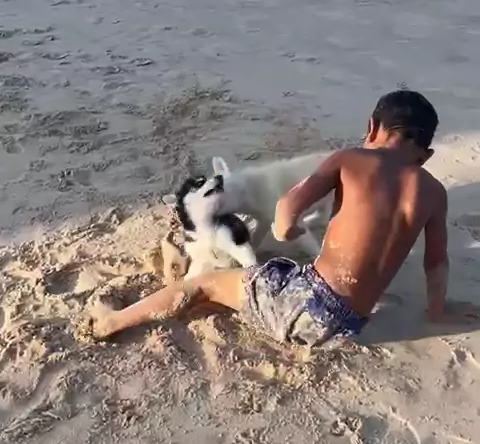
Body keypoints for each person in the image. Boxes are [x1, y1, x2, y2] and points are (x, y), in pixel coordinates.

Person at [89, 89, 478, 343]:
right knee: (255, 283)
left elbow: (286, 211)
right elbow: (436, 263)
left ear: (372, 127)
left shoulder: (350, 159)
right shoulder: (433, 192)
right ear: (426, 155)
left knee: (204, 284)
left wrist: (286, 228)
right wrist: (438, 311)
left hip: (304, 307)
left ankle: (112, 322)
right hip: (349, 325)